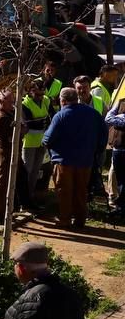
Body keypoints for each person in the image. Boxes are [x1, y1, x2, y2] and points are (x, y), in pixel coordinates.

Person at [43, 86, 107, 227]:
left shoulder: (60, 115)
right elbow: (104, 133)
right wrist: (97, 150)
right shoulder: (93, 113)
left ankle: (64, 219)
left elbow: (48, 138)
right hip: (85, 160)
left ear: (63, 100)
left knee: (64, 191)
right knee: (81, 191)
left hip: (64, 161)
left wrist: (47, 145)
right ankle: (80, 220)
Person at [0, 89, 31, 225]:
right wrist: (22, 128)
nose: (13, 104)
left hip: (11, 151)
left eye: (13, 101)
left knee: (10, 183)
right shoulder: (1, 117)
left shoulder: (8, 113)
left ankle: (6, 212)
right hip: (5, 152)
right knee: (2, 184)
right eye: (10, 101)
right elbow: (14, 136)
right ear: (1, 101)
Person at [21, 78, 51, 203]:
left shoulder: (45, 100)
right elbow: (29, 123)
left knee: (35, 170)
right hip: (29, 142)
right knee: (27, 170)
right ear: (30, 91)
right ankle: (22, 197)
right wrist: (41, 121)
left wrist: (40, 121)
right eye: (37, 94)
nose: (40, 97)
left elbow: (49, 118)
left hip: (42, 141)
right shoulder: (24, 104)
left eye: (42, 94)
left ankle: (30, 195)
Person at [107, 96, 125, 214]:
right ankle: (119, 205)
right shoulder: (121, 101)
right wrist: (122, 120)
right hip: (117, 147)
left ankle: (122, 207)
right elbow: (108, 118)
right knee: (119, 178)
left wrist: (119, 119)